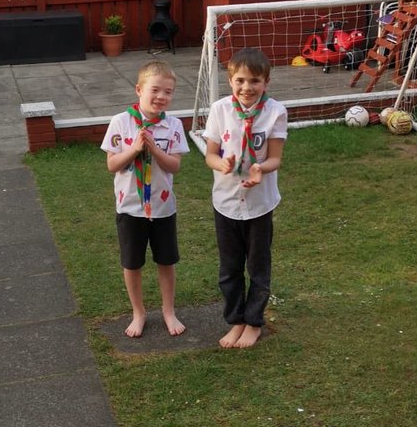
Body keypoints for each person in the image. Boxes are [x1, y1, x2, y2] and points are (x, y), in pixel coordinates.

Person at [204, 47, 287, 349]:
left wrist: (259, 169)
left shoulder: (275, 112)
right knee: (229, 268)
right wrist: (222, 164)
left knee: (258, 266)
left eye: (254, 81)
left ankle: (253, 322)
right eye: (240, 80)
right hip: (225, 202)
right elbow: (211, 156)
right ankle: (236, 320)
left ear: (266, 82)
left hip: (259, 204)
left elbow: (275, 158)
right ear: (230, 81)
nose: (246, 88)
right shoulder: (220, 110)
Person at [101, 60, 189, 338]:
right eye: (155, 90)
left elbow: (174, 166)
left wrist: (154, 149)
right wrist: (136, 149)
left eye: (168, 92)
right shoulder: (120, 122)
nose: (161, 97)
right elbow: (112, 165)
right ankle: (138, 312)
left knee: (166, 260)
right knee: (132, 263)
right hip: (130, 207)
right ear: (139, 90)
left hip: (163, 208)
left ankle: (168, 310)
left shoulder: (173, 125)